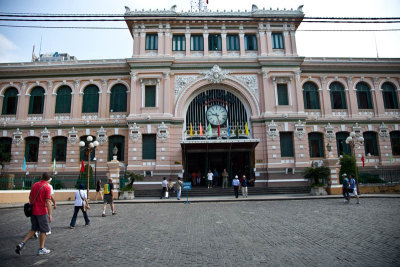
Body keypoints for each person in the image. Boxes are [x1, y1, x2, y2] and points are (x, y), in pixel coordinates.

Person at [15, 172, 52, 256]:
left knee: (33, 229)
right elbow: (48, 202)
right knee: (44, 230)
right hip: (42, 212)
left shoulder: (35, 185)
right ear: (49, 179)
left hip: (33, 211)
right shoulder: (47, 187)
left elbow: (30, 196)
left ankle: (21, 244)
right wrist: (50, 215)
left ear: (42, 177)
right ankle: (41, 249)